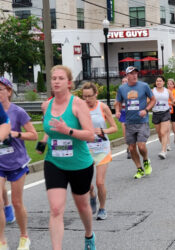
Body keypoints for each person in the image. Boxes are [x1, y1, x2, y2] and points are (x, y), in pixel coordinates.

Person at [41, 65, 96, 249]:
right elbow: (50, 131)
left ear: (69, 83)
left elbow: (90, 135)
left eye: (60, 78)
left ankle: (89, 235)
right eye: (53, 78)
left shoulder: (78, 104)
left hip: (79, 164)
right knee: (56, 209)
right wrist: (43, 142)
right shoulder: (46, 106)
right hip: (54, 162)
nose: (56, 81)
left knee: (83, 207)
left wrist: (69, 131)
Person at [0, 77, 37, 250]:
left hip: (17, 162)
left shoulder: (18, 112)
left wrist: (16, 134)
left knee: (17, 202)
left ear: (8, 91)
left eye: (1, 89)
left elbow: (33, 135)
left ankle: (24, 236)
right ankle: (2, 241)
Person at [81, 82, 117, 220]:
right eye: (85, 97)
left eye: (90, 96)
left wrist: (103, 131)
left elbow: (114, 127)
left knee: (100, 182)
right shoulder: (80, 108)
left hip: (102, 148)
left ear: (96, 94)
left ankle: (102, 208)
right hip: (85, 149)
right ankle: (92, 194)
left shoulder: (103, 107)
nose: (87, 99)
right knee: (85, 182)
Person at [115, 66, 156, 179]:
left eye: (136, 73)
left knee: (141, 146)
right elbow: (118, 102)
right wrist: (118, 111)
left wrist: (146, 110)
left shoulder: (144, 86)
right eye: (132, 73)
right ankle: (139, 169)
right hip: (129, 122)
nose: (134, 75)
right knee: (132, 148)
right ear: (127, 76)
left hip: (142, 121)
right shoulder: (122, 88)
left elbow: (153, 100)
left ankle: (146, 160)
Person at [152, 76, 175, 159]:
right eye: (157, 81)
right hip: (156, 113)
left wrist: (174, 101)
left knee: (163, 132)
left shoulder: (167, 91)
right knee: (159, 134)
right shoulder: (152, 91)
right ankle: (164, 147)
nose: (158, 82)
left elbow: (173, 100)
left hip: (165, 112)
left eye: (160, 81)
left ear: (163, 82)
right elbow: (149, 100)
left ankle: (163, 151)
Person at [115, 77, 131, 159]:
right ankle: (129, 149)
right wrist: (117, 111)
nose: (124, 82)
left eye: (126, 81)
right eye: (123, 81)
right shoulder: (119, 92)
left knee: (132, 133)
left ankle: (130, 148)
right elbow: (116, 103)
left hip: (131, 113)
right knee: (125, 134)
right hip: (123, 113)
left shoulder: (132, 91)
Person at [167, 79, 175, 144]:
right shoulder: (165, 91)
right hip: (166, 111)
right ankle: (168, 144)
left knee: (174, 129)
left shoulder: (174, 92)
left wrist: (167, 102)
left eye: (171, 84)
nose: (169, 85)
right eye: (168, 84)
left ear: (173, 85)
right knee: (167, 129)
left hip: (174, 110)